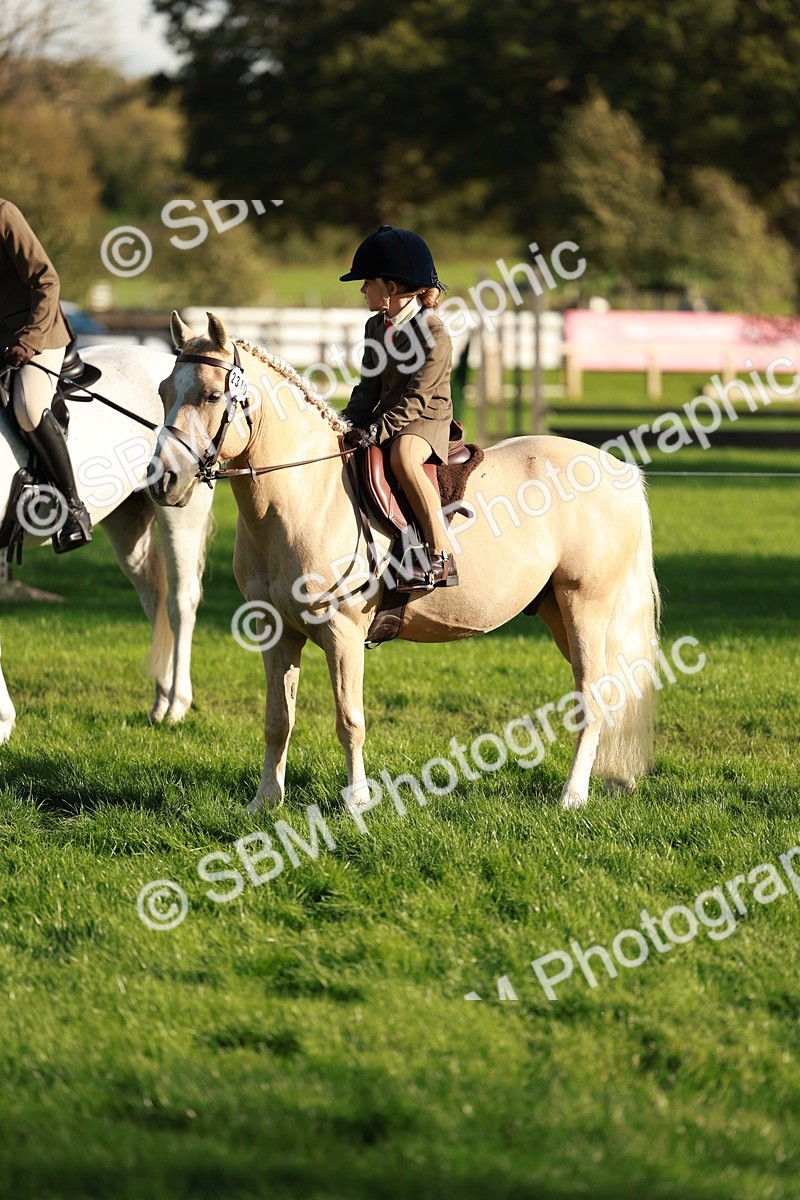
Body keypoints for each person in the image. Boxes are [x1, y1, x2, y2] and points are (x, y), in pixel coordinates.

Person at [340, 224, 457, 590]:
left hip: (426, 419)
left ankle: (440, 553)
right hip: (390, 416)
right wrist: (343, 422)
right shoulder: (375, 327)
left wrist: (378, 429)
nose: (362, 290)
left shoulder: (434, 333)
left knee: (403, 457)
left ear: (390, 288)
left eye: (367, 283)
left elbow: (417, 398)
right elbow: (368, 388)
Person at [0, 197, 92, 551]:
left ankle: (73, 507)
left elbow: (47, 281)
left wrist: (30, 340)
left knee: (28, 407)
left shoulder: (3, 214)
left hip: (36, 334)